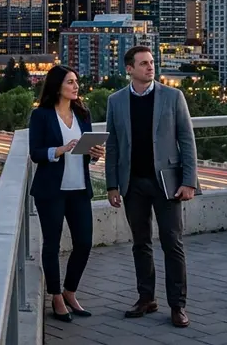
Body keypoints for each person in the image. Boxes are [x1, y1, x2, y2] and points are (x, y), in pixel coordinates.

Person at [105, 45, 198, 329]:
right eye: (143, 63)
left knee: (173, 243)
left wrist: (188, 181)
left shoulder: (173, 97)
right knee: (140, 244)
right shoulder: (116, 101)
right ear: (129, 69)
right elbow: (113, 146)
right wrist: (112, 185)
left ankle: (178, 306)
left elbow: (187, 140)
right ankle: (146, 298)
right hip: (133, 184)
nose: (150, 67)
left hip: (166, 183)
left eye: (151, 62)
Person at [28, 65, 104, 323]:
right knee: (52, 244)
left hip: (79, 188)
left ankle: (70, 291)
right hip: (51, 190)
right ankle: (55, 296)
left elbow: (86, 154)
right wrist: (59, 150)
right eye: (70, 82)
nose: (76, 86)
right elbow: (36, 152)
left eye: (76, 82)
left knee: (84, 242)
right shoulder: (41, 116)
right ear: (57, 86)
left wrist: (93, 155)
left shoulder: (83, 114)